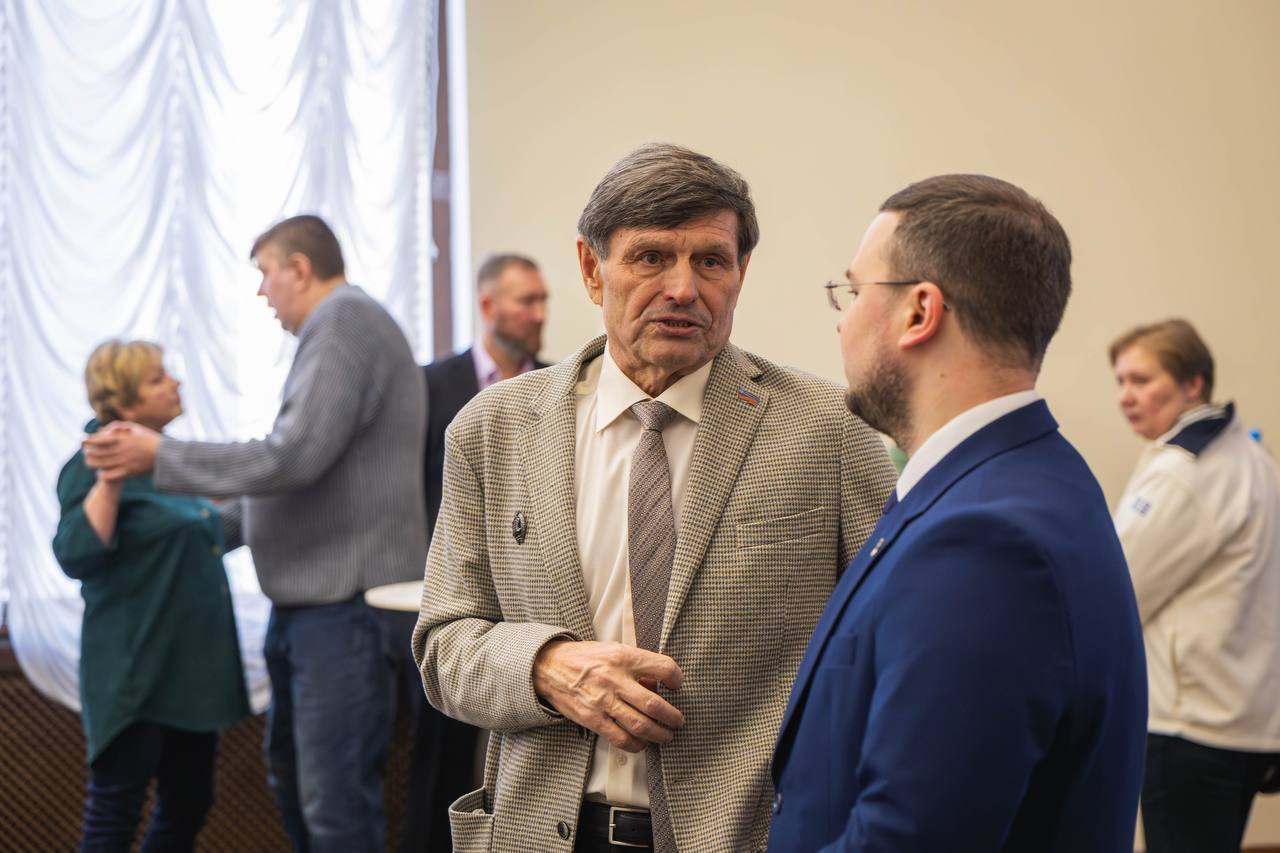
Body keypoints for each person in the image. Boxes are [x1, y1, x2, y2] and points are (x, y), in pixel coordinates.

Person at [411, 143, 896, 852]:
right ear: (591, 268)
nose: (682, 288)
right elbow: (443, 645)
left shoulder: (829, 431)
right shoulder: (494, 429)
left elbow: (891, 650)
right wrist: (544, 666)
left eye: (711, 261)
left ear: (741, 272)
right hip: (540, 832)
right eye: (650, 257)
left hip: (749, 835)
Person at [769, 175, 1147, 851]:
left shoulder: (983, 541)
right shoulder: (1018, 479)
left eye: (854, 292)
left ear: (920, 312)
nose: (843, 320)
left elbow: (909, 838)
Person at [81, 216, 427, 853]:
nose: (262, 291)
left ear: (300, 268)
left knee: (333, 807)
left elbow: (290, 458)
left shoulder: (344, 321)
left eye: (266, 273)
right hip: (315, 609)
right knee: (301, 790)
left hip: (343, 609)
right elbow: (299, 478)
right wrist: (206, 528)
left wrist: (161, 456)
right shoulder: (333, 329)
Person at [53, 339, 249, 852]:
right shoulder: (92, 465)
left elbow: (213, 532)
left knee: (190, 804)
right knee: (115, 813)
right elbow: (75, 554)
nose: (175, 382)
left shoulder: (169, 464)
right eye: (158, 378)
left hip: (189, 675)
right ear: (123, 402)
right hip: (135, 673)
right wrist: (109, 482)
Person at [392, 252, 550, 852]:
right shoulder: (431, 385)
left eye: (542, 300)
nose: (539, 313)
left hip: (535, 608)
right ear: (488, 306)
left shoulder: (561, 388)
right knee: (440, 754)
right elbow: (411, 486)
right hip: (455, 599)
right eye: (526, 300)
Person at [1110, 319, 1280, 853]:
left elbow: (1117, 594)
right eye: (1120, 382)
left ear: (1193, 384)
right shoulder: (1253, 457)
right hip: (1245, 720)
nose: (1125, 397)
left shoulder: (1182, 472)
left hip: (1189, 725)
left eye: (1141, 380)